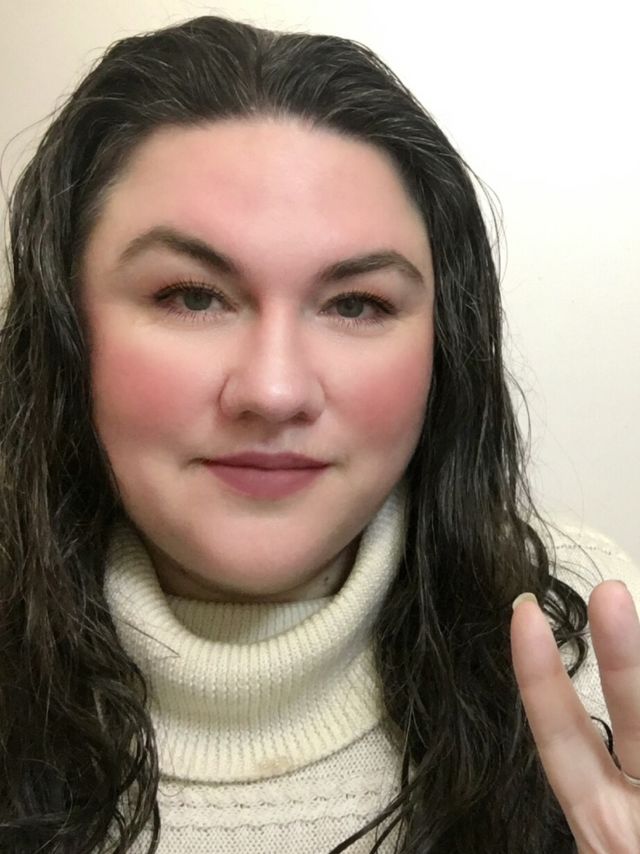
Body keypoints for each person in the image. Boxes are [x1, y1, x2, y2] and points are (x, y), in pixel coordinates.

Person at [0, 13, 638, 854]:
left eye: (356, 304)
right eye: (192, 296)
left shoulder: (598, 642)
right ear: (66, 329)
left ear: (444, 348)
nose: (274, 391)